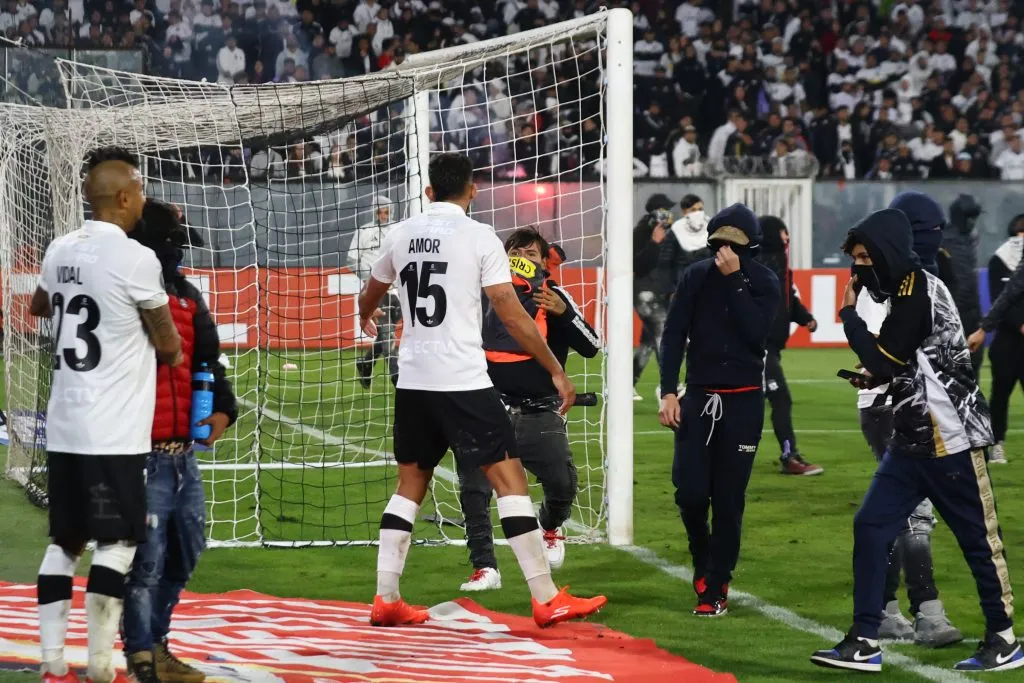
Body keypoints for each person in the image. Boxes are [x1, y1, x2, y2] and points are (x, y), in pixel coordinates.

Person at [357, 152, 606, 628]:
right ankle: (546, 597)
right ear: (472, 191)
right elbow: (511, 313)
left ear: (429, 191)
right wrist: (556, 369)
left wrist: (366, 314)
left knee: (409, 485)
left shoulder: (400, 233)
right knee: (510, 481)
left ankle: (386, 598)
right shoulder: (480, 237)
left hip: (413, 380)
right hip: (464, 380)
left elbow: (372, 291)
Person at [811, 208, 1019, 673]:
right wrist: (875, 377)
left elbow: (886, 356)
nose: (859, 267)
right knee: (870, 525)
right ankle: (865, 638)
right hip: (912, 439)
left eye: (865, 256)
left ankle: (1003, 638)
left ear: (885, 251)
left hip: (952, 440)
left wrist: (848, 314)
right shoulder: (909, 289)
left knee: (979, 541)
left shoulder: (918, 290)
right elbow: (906, 363)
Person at [30, 147, 183, 683]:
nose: (143, 196)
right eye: (139, 188)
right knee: (118, 542)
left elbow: (39, 306)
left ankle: (51, 661)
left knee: (64, 541)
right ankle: (99, 666)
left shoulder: (59, 247)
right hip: (113, 430)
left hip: (65, 423)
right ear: (123, 197)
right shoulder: (136, 258)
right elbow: (168, 348)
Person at [122, 200, 238, 683]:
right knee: (145, 563)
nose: (177, 254)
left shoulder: (188, 295)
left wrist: (224, 410)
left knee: (186, 550)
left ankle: (158, 646)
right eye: (171, 244)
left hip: (182, 454)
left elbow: (209, 360)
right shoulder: (123, 295)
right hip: (138, 451)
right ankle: (143, 657)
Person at [457, 228, 599, 591]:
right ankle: (484, 567)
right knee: (475, 486)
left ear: (544, 260)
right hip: (488, 405)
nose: (524, 258)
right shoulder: (485, 295)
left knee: (562, 484)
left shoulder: (556, 297)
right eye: (517, 251)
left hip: (538, 409)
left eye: (532, 253)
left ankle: (550, 527)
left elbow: (592, 347)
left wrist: (564, 313)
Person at [658, 203, 781, 617]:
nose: (726, 251)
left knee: (729, 499)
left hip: (744, 401)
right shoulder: (694, 276)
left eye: (735, 245)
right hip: (697, 397)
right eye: (720, 243)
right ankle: (702, 556)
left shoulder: (765, 281)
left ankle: (716, 583)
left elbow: (756, 336)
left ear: (751, 247)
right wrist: (668, 392)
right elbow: (673, 335)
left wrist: (734, 282)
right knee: (690, 493)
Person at [756, 216, 823, 476]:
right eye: (784, 232)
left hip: (769, 348)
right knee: (780, 399)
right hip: (759, 347)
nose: (787, 237)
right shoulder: (759, 266)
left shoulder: (780, 265)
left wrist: (805, 318)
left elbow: (789, 300)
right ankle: (789, 456)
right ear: (775, 234)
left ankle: (711, 455)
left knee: (750, 404)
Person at [632, 193, 709, 401]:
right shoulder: (640, 232)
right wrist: (654, 243)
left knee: (648, 341)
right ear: (656, 211)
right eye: (665, 209)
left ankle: (626, 384)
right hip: (643, 291)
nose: (669, 214)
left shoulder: (673, 234)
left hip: (658, 292)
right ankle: (671, 384)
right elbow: (636, 265)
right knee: (663, 331)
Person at [979, 214, 1024, 465]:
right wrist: (1020, 324)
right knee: (1000, 395)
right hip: (1006, 340)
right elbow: (1001, 299)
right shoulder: (1000, 259)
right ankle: (997, 445)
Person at [349, 195, 400, 388]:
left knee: (386, 332)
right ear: (374, 212)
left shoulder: (397, 229)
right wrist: (371, 279)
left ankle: (366, 363)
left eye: (386, 211)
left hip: (398, 290)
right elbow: (352, 259)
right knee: (387, 333)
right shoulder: (364, 231)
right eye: (380, 211)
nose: (383, 215)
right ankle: (396, 374)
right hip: (377, 289)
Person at [944, 194, 984, 375]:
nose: (973, 221)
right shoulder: (942, 239)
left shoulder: (972, 237)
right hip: (950, 312)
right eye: (970, 217)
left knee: (974, 364)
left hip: (971, 310)